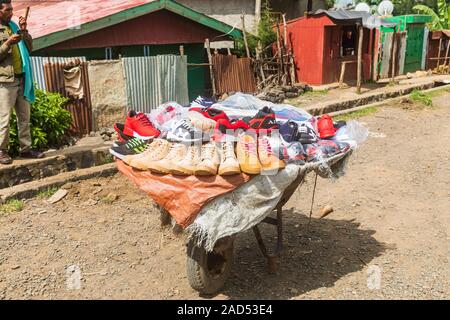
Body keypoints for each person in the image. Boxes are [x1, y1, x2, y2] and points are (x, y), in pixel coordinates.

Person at [0, 0, 44, 165]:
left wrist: (24, 31)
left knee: (24, 116)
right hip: (6, 80)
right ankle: (1, 151)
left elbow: (29, 48)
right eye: (7, 10)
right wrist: (8, 43)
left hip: (22, 77)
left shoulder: (13, 25)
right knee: (4, 117)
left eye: (12, 9)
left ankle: (25, 149)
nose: (11, 12)